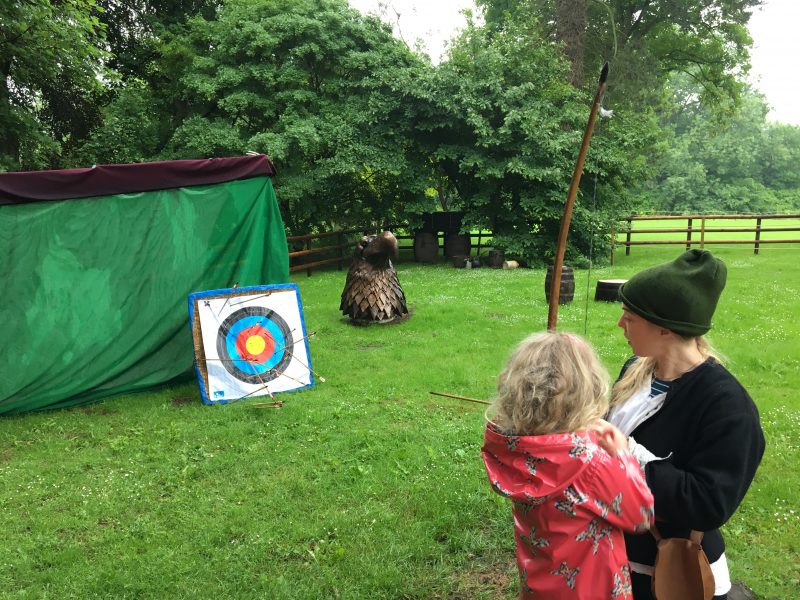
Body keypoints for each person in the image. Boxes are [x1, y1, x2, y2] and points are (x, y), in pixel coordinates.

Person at [593, 249, 766, 599]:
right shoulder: (634, 371)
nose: (619, 324)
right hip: (616, 557)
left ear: (665, 328)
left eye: (629, 317)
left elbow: (709, 504)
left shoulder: (727, 406)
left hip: (669, 574)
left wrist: (630, 455)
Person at [482, 331, 654, 599]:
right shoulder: (591, 463)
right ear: (587, 391)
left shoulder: (514, 447)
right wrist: (622, 455)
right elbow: (641, 515)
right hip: (590, 590)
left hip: (539, 582)